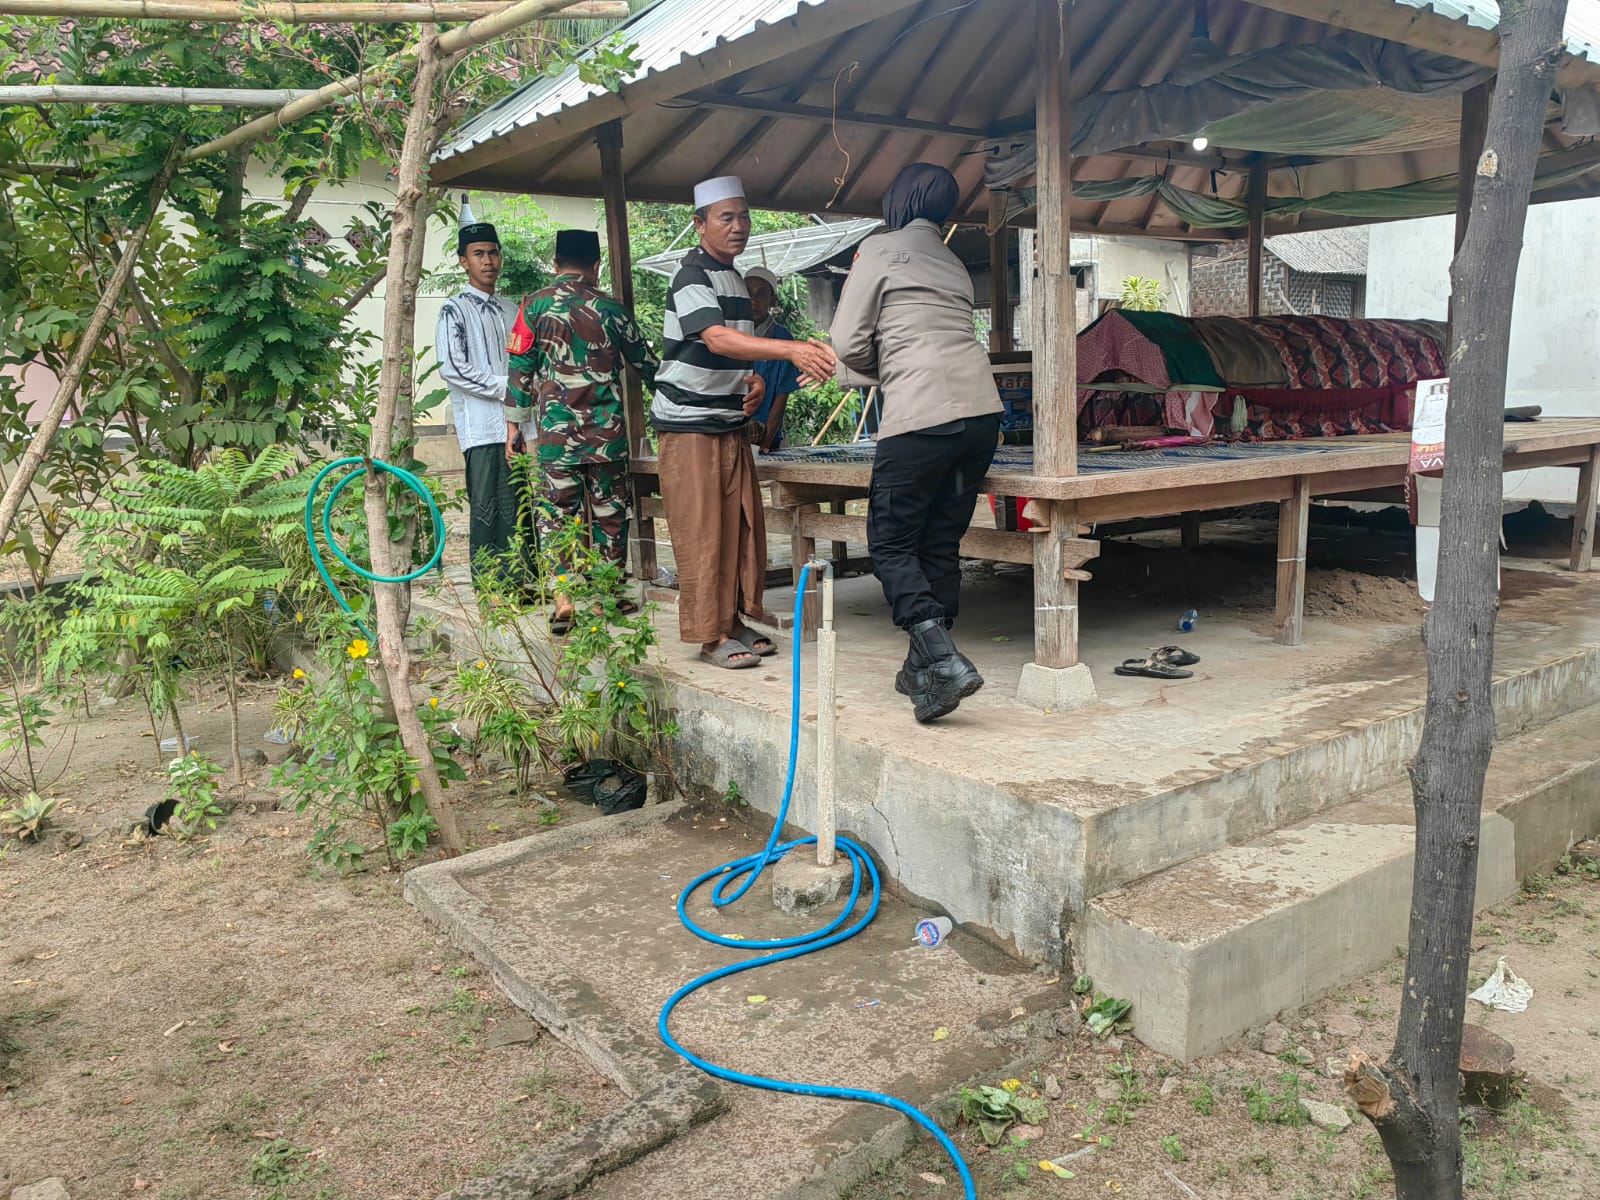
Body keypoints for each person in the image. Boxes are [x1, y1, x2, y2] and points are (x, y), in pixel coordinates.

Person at [826, 163, 1004, 722]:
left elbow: (847, 341)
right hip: (981, 415)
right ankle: (923, 671)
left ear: (899, 200)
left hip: (921, 415)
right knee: (940, 541)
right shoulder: (952, 261)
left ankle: (942, 658)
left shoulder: (880, 250)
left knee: (890, 542)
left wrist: (894, 366)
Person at [652, 175, 836, 670]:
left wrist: (751, 379)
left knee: (739, 526)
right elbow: (715, 338)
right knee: (702, 532)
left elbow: (732, 352)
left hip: (727, 421)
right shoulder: (691, 276)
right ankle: (709, 635)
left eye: (743, 216)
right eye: (726, 218)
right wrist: (790, 350)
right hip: (689, 425)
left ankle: (733, 622)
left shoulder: (732, 278)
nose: (738, 227)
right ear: (700, 224)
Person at [503, 229, 659, 634]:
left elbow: (519, 370)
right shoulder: (612, 308)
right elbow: (646, 364)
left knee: (556, 516)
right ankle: (608, 596)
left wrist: (514, 427)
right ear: (596, 265)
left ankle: (564, 599)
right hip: (607, 436)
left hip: (556, 437)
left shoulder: (534, 306)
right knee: (610, 514)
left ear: (555, 264)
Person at [437, 198, 522, 592]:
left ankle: (524, 584)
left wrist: (521, 397)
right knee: (488, 507)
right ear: (463, 261)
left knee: (520, 504)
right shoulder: (453, 310)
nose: (488, 261)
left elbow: (526, 359)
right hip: (482, 427)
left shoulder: (511, 309)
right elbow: (452, 368)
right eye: (478, 254)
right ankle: (491, 589)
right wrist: (506, 388)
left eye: (493, 253)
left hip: (519, 425)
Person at [743, 266, 800, 452]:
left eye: (761, 293)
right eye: (748, 292)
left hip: (762, 435)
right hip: (731, 430)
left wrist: (766, 443)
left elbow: (781, 397)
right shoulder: (729, 336)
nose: (753, 300)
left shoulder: (782, 340)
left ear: (772, 300)